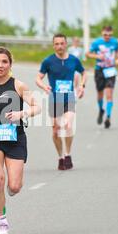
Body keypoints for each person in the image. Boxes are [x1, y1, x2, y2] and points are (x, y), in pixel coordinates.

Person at [0, 47, 41, 234]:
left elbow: (37, 106)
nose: (0, 65)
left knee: (14, 186)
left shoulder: (19, 86)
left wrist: (22, 113)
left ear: (10, 65)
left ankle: (10, 191)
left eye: (4, 62)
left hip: (15, 138)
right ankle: (2, 222)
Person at [36, 34, 87, 171]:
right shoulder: (48, 61)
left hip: (69, 96)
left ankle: (68, 154)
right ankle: (60, 157)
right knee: (55, 130)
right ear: (53, 45)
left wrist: (81, 86)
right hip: (55, 98)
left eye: (62, 43)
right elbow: (38, 78)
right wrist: (43, 86)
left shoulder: (73, 60)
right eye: (56, 44)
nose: (59, 46)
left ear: (66, 44)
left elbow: (84, 73)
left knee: (67, 124)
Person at [86, 26, 118, 129]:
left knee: (109, 95)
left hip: (110, 70)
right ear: (102, 33)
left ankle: (108, 117)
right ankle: (101, 110)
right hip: (99, 70)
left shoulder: (115, 42)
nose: (107, 37)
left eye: (110, 35)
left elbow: (117, 53)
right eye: (105, 35)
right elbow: (87, 54)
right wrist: (97, 56)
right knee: (100, 94)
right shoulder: (97, 43)